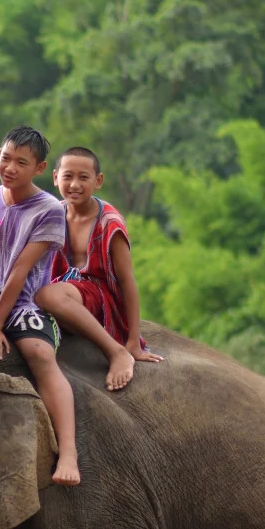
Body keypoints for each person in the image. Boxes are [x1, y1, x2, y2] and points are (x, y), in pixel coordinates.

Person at [0, 126, 81, 485]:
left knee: (38, 353)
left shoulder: (49, 210)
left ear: (39, 169)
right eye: (6, 158)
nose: (10, 168)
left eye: (21, 162)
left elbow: (20, 270)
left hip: (20, 303)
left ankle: (68, 452)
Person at [34, 146, 164, 390]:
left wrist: (133, 341)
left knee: (47, 295)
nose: (74, 184)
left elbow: (127, 281)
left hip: (98, 297)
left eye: (83, 178)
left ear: (98, 181)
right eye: (67, 176)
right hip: (67, 291)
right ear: (55, 177)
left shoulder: (109, 223)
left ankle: (115, 352)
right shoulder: (54, 212)